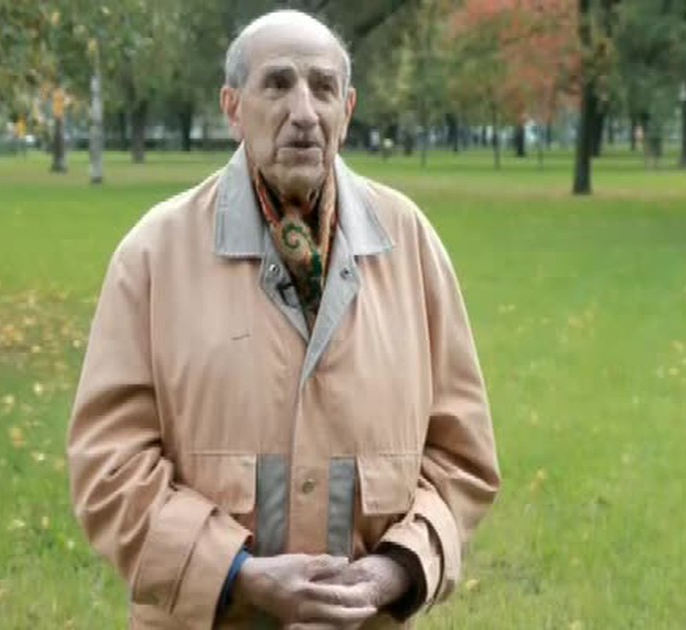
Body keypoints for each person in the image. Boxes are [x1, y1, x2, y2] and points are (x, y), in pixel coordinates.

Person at [66, 9, 501, 629]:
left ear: (347, 110)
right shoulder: (154, 253)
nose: (303, 111)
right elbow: (110, 466)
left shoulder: (408, 242)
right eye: (277, 84)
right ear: (232, 107)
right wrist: (237, 576)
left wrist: (395, 571)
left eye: (323, 88)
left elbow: (462, 457)